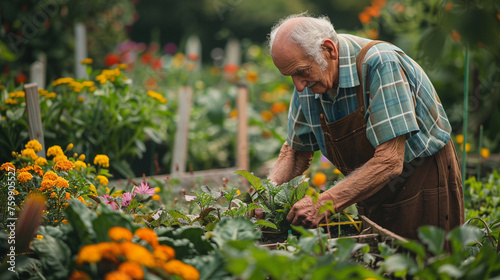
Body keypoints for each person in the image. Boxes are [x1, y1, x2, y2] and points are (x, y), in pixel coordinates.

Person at [267, 13, 464, 240]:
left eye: (301, 71)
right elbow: (295, 151)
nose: (299, 86)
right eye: (291, 75)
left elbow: (390, 161)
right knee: (380, 269)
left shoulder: (380, 63)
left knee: (427, 268)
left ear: (329, 50)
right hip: (371, 188)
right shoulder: (311, 77)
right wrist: (265, 196)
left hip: (421, 184)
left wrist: (322, 203)